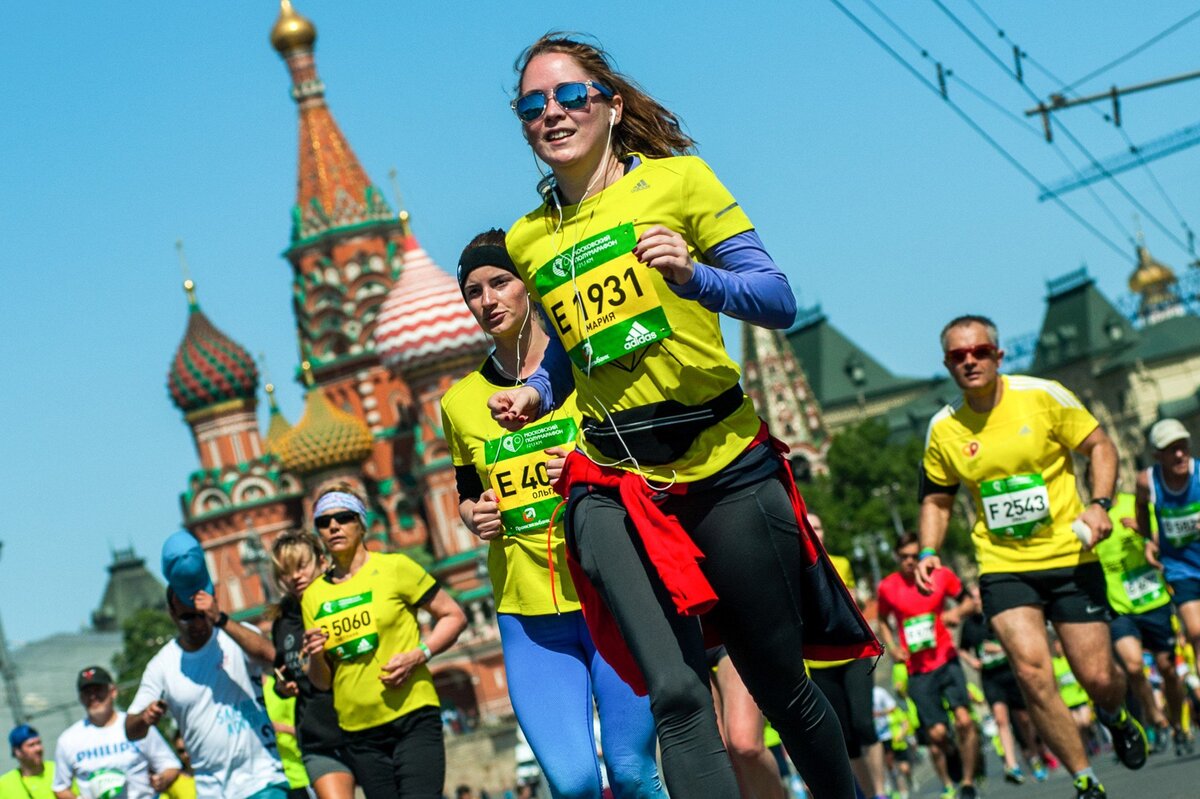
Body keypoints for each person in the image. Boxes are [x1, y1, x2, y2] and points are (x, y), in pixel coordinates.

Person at [488, 32, 879, 799]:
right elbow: (574, 344)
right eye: (533, 106)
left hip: (722, 465)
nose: (553, 114)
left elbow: (776, 296)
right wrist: (538, 388)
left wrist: (697, 276)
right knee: (673, 693)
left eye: (571, 97)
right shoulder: (529, 239)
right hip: (612, 478)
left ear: (611, 106)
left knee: (780, 688)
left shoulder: (680, 182)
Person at [443, 231, 665, 799]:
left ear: (528, 287)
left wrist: (584, 466)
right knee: (572, 786)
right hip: (530, 614)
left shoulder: (588, 367)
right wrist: (475, 515)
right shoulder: (460, 403)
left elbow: (649, 460)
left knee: (634, 773)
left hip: (610, 591)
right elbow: (466, 490)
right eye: (473, 291)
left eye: (499, 283)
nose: (487, 300)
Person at [917, 314, 1147, 799]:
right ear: (947, 365)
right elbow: (938, 498)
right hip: (1003, 565)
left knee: (1098, 677)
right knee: (1031, 672)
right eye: (958, 357)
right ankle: (1085, 778)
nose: (970, 361)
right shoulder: (943, 428)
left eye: (979, 351)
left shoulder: (1043, 397)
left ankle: (1115, 714)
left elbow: (1101, 446)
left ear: (998, 356)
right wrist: (929, 550)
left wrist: (1100, 504)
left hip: (1069, 554)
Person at [301, 487, 468, 799]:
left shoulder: (395, 568)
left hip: (413, 715)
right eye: (324, 522)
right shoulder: (313, 597)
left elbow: (453, 615)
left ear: (361, 523)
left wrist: (420, 655)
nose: (334, 527)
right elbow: (322, 683)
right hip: (359, 731)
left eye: (343, 518)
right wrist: (316, 657)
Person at [127, 530, 286, 799]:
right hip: (212, 790)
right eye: (188, 617)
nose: (198, 624)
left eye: (202, 616)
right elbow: (130, 729)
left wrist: (221, 619)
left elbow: (271, 655)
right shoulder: (162, 665)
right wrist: (145, 717)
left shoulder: (235, 634)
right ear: (172, 613)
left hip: (262, 778)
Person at [876, 533, 978, 799]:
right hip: (917, 669)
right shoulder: (888, 587)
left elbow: (968, 600)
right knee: (937, 734)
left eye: (914, 555)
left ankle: (967, 783)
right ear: (897, 557)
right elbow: (883, 621)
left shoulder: (940, 575)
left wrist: (957, 612)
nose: (910, 561)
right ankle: (951, 756)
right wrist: (891, 647)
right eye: (904, 557)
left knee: (965, 721)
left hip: (946, 658)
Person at [804, 514, 888, 799]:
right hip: (819, 663)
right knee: (846, 738)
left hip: (853, 654)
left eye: (818, 526)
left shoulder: (841, 563)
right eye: (808, 526)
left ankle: (880, 792)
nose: (814, 531)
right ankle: (864, 794)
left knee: (864, 725)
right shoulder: (792, 568)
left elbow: (851, 603)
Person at [268, 531, 355, 799]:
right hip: (318, 737)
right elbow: (284, 670)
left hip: (363, 726)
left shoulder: (345, 601)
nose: (294, 576)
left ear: (321, 561)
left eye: (301, 566)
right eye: (285, 571)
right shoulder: (283, 621)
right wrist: (283, 687)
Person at [1097, 493, 1187, 752]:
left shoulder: (1135, 503)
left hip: (1154, 601)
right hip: (1120, 607)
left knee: (1168, 669)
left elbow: (1165, 542)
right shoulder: (1091, 517)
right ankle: (1157, 718)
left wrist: (1142, 530)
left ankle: (1179, 724)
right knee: (1134, 668)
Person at [1136, 417, 1200, 755]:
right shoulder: (1148, 482)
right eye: (1171, 449)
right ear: (1157, 455)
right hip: (1180, 568)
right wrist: (1148, 539)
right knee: (1195, 630)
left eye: (1183, 446)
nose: (1179, 454)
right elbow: (1140, 509)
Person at [957, 584, 1044, 783]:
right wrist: (972, 661)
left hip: (1010, 672)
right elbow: (961, 649)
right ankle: (1011, 765)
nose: (977, 601)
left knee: (1023, 719)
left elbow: (1016, 640)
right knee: (1001, 719)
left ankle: (1034, 754)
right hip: (990, 677)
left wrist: (999, 649)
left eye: (979, 597)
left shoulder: (997, 615)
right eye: (973, 598)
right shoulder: (969, 625)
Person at [52, 665, 180, 799]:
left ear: (113, 691)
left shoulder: (136, 725)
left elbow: (171, 766)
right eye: (87, 692)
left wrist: (162, 780)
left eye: (98, 690)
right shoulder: (69, 740)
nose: (93, 696)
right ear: (80, 698)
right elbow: (60, 788)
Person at [0, 725, 55, 798]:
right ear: (17, 751)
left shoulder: (58, 770)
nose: (38, 749)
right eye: (31, 745)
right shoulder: (5, 783)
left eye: (39, 743)